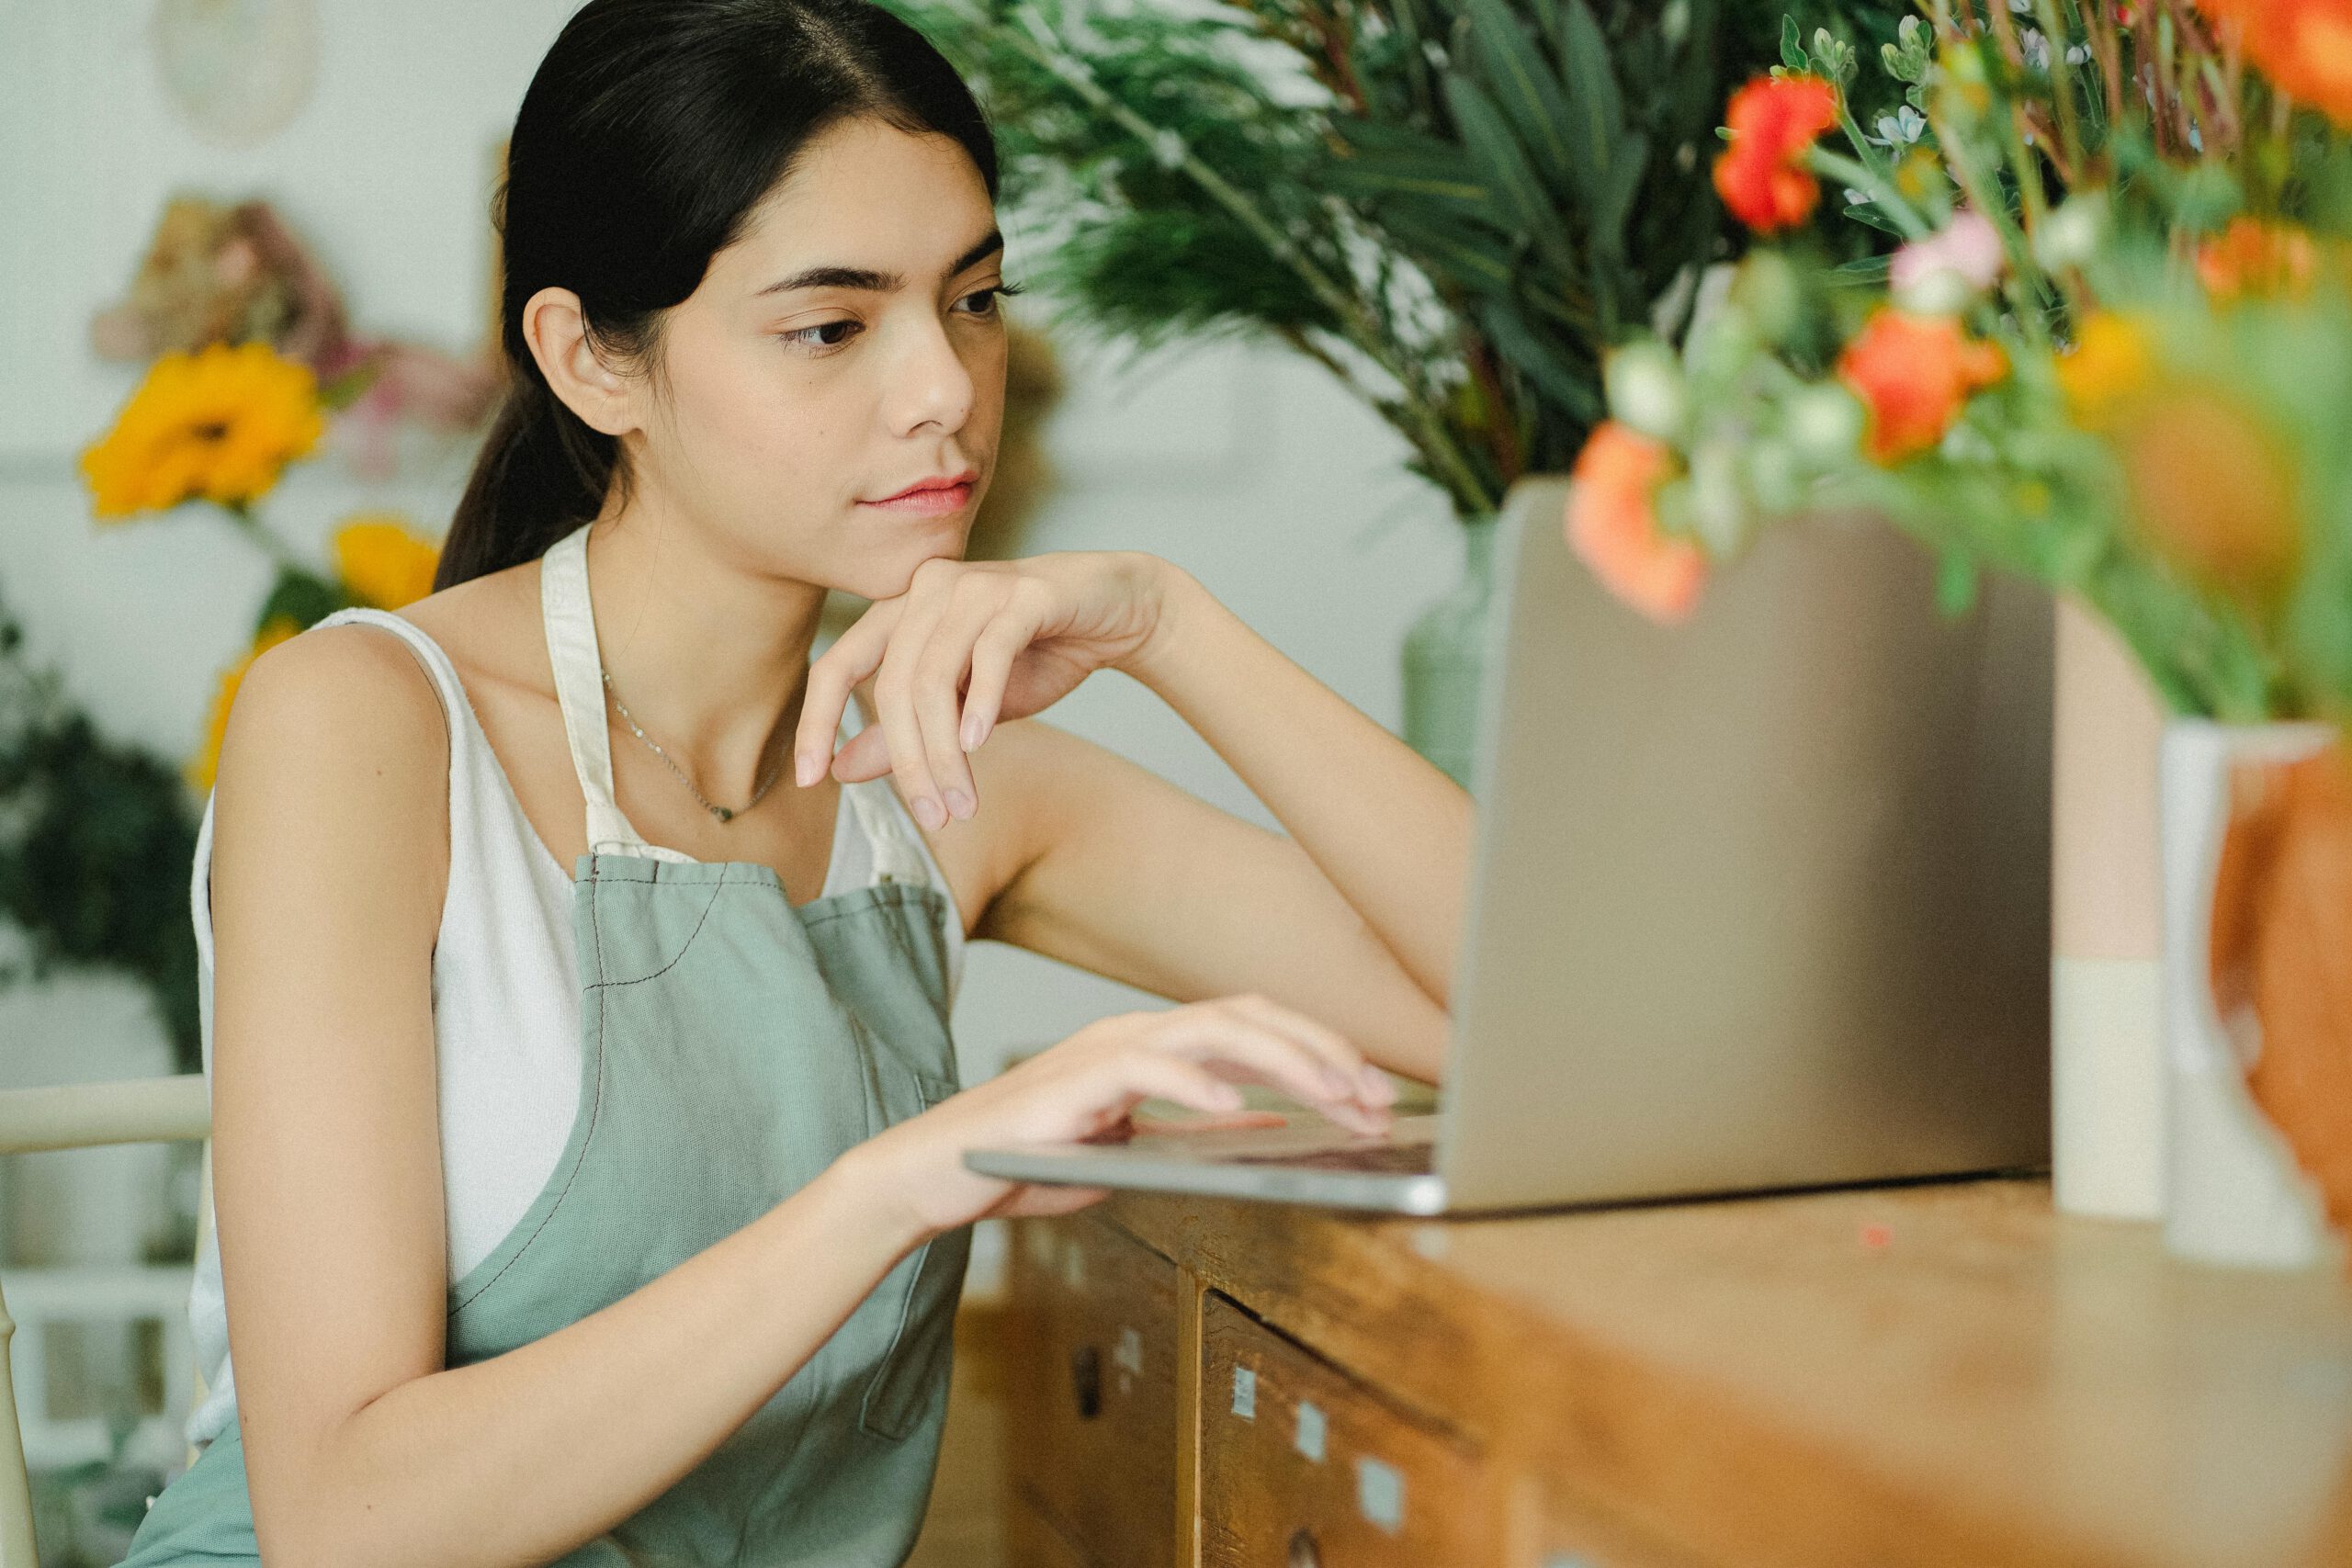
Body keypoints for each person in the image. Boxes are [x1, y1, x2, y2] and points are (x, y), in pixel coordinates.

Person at [118, 0, 1468, 1562]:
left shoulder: (952, 791)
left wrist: (1172, 625)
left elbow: (1523, 1018)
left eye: (973, 300)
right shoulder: (364, 727)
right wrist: (906, 1182)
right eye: (832, 326)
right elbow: (349, 1521)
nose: (945, 391)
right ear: (591, 360)